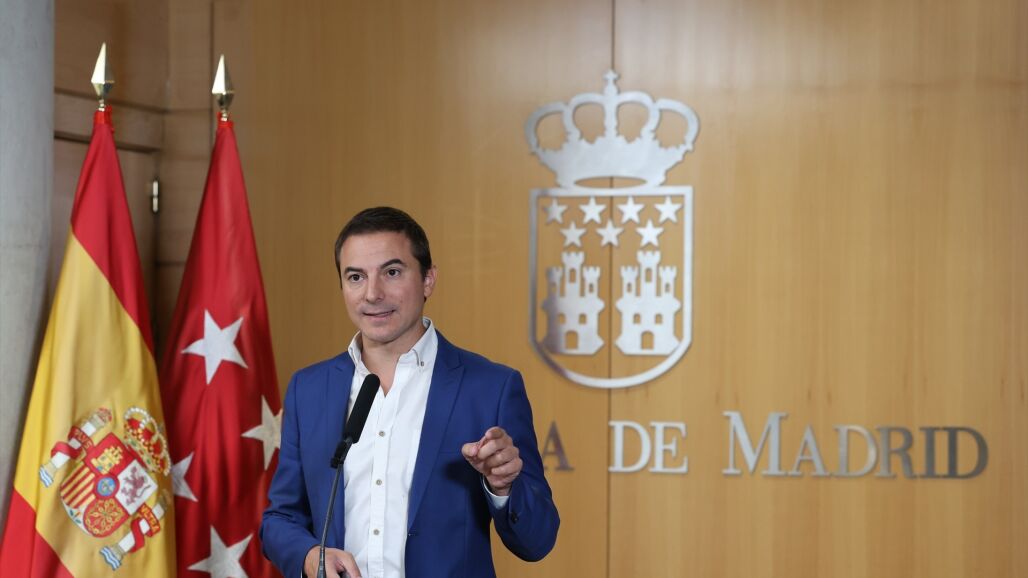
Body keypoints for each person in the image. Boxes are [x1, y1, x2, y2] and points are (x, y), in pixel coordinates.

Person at [260, 207, 559, 578]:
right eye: (356, 277)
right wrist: (310, 556)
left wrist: (503, 487)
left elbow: (538, 541)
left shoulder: (491, 388)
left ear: (428, 280)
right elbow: (280, 518)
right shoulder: (308, 389)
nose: (372, 294)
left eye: (392, 272)